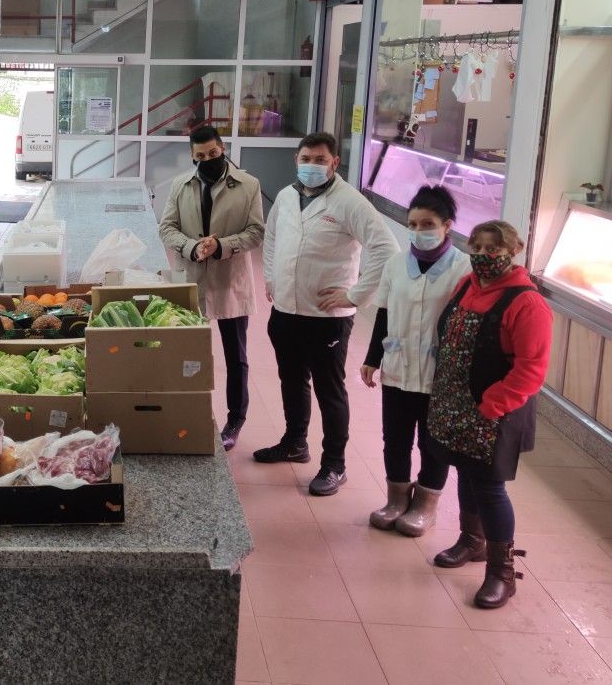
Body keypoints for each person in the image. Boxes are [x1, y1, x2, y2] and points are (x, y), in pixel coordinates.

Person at [258, 132, 399, 496]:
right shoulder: (288, 197)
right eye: (307, 158)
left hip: (327, 318)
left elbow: (386, 248)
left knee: (329, 390)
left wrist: (354, 294)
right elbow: (271, 238)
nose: (312, 166)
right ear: (296, 159)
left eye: (321, 160)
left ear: (335, 163)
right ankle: (294, 442)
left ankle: (334, 464)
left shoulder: (350, 202)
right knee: (291, 379)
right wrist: (271, 277)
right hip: (286, 310)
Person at [427, 220, 551, 609]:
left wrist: (490, 406)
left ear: (512, 251)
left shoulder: (526, 302)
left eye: (493, 249)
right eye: (477, 246)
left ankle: (501, 572)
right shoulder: (468, 284)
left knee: (490, 486)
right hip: (456, 403)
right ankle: (472, 540)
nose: (483, 255)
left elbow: (532, 368)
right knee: (465, 470)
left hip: (495, 410)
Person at [362, 186, 470, 535]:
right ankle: (396, 500)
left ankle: (425, 506)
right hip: (397, 368)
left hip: (441, 376)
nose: (419, 231)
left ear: (447, 225)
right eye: (413, 224)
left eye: (428, 224)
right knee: (394, 438)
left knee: (432, 442)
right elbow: (383, 312)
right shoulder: (396, 263)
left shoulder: (464, 269)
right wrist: (372, 359)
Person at [159, 125, 264, 451]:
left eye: (214, 154)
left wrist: (222, 245)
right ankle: (191, 411)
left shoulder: (248, 185)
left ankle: (235, 420)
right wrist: (191, 247)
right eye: (201, 156)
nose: (208, 160)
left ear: (223, 149)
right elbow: (167, 227)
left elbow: (256, 231)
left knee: (236, 356)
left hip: (230, 280)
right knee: (189, 353)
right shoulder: (180, 185)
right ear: (193, 155)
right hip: (192, 278)